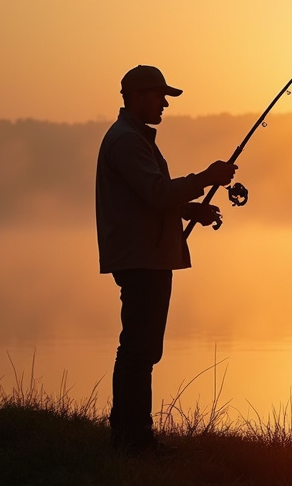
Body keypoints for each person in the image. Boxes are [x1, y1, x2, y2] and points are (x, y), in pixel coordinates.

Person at [95, 64, 237, 453]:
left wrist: (192, 210)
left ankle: (126, 434)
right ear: (135, 97)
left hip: (146, 255)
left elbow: (146, 199)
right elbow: (157, 193)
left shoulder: (135, 138)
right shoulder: (126, 141)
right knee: (140, 350)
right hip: (142, 259)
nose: (164, 105)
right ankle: (135, 439)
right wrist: (207, 177)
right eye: (159, 97)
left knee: (140, 348)